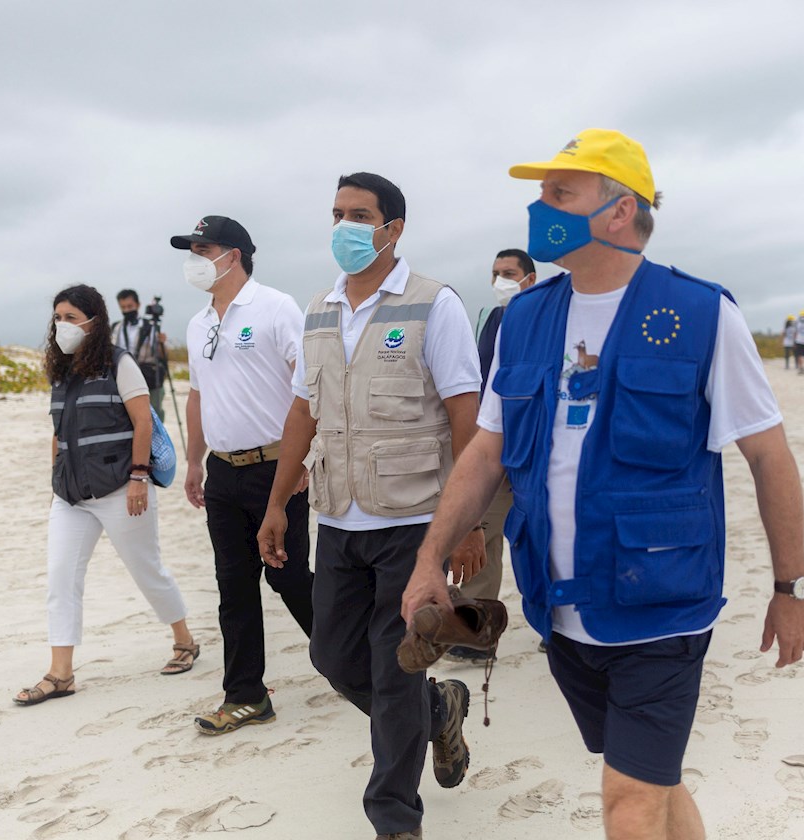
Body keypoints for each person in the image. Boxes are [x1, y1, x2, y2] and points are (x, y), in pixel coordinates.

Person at [400, 128, 804, 840]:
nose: (541, 208)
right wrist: (428, 558)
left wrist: (791, 590)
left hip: (663, 602)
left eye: (561, 193)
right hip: (559, 606)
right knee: (652, 780)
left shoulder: (701, 313)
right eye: (540, 193)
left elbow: (769, 456)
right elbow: (486, 452)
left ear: (619, 211)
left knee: (626, 804)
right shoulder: (526, 317)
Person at [256, 173, 484, 840]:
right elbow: (303, 410)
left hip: (412, 525)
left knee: (391, 671)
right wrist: (279, 502)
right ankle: (438, 710)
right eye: (337, 214)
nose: (346, 227)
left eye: (361, 215)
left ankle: (394, 818)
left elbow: (465, 415)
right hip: (338, 521)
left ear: (394, 229)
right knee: (333, 658)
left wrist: (465, 525)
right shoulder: (319, 309)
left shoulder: (432, 304)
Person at [14, 285, 196, 706]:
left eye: (71, 318)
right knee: (61, 578)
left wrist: (138, 477)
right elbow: (59, 433)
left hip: (120, 488)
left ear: (93, 322)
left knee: (146, 569)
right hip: (71, 496)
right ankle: (61, 674)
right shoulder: (60, 370)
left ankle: (184, 641)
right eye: (57, 318)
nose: (62, 326)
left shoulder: (120, 363)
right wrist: (54, 482)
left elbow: (142, 423)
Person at [173, 215, 314, 735]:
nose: (192, 259)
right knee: (233, 585)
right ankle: (246, 695)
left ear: (232, 255)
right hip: (223, 473)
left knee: (289, 577)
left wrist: (304, 462)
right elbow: (198, 395)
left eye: (201, 248)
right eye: (190, 249)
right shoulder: (198, 322)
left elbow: (310, 388)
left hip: (277, 469)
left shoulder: (276, 307)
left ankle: (357, 661)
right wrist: (193, 460)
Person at [450, 248, 537, 665]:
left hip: (536, 452)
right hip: (493, 447)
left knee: (544, 542)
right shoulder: (489, 317)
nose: (500, 279)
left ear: (530, 279)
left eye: (509, 273)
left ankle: (557, 628)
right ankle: (474, 636)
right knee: (481, 535)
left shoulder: (544, 319)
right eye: (495, 272)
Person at [112, 290, 169, 421]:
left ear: (138, 305)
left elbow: (162, 356)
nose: (127, 310)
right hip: (123, 376)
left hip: (148, 377)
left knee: (153, 415)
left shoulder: (151, 327)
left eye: (130, 306)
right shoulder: (116, 327)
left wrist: (161, 343)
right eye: (123, 307)